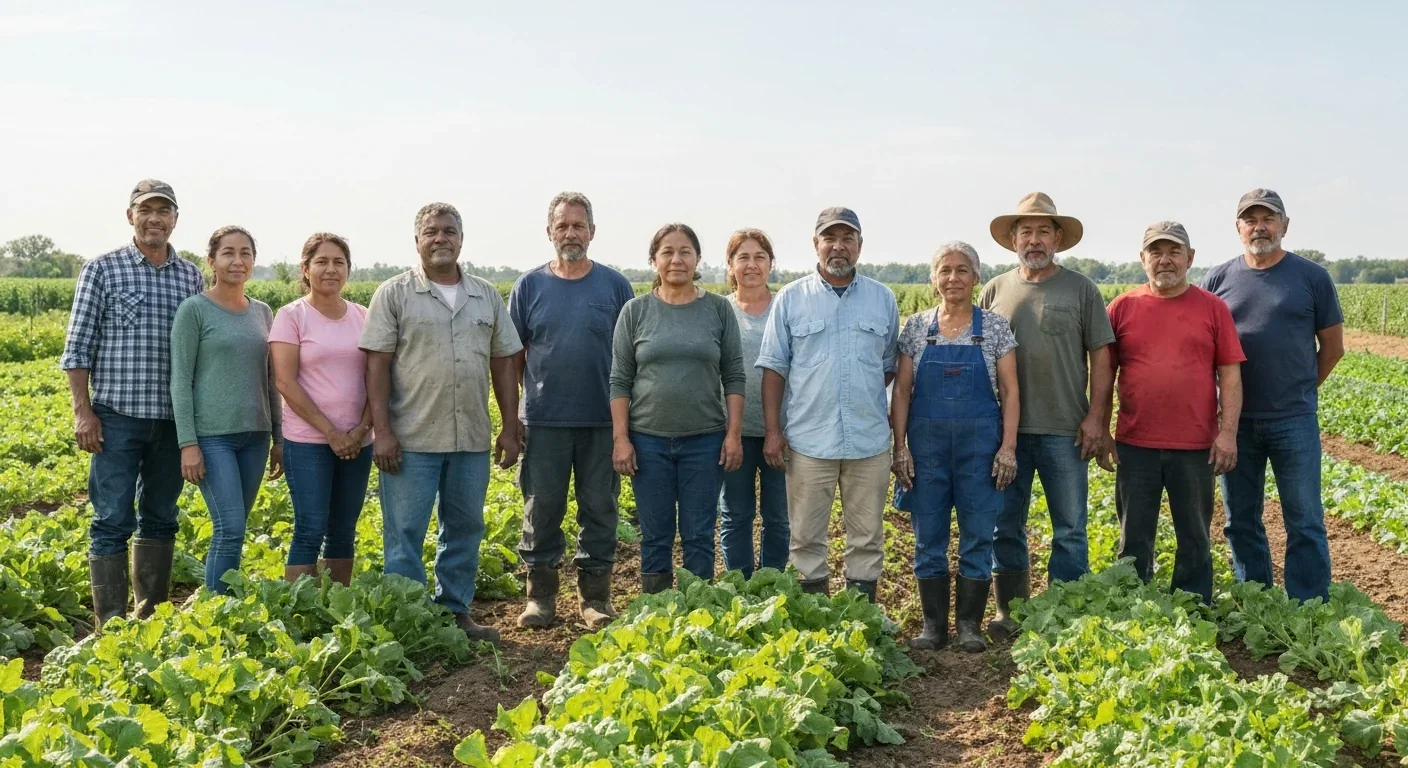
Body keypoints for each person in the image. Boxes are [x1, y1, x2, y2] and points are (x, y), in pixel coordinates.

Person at [359, 202, 523, 643]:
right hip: (411, 437)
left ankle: (455, 611)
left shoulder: (485, 295)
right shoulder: (394, 294)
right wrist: (383, 431)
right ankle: (411, 619)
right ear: (417, 241)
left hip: (469, 435)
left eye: (449, 231)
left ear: (461, 239)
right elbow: (376, 365)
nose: (440, 239)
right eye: (431, 232)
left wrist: (510, 426)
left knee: (465, 526)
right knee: (405, 531)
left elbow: (505, 361)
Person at [61, 180, 206, 626]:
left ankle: (150, 617)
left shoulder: (191, 276)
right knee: (110, 519)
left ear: (175, 220)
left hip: (170, 423)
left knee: (161, 517)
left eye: (164, 211)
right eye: (146, 210)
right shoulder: (102, 269)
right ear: (130, 216)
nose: (155, 218)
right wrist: (83, 411)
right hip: (116, 419)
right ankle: (111, 623)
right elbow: (77, 346)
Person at [978, 192, 1114, 639]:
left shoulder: (1081, 289)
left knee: (1070, 528)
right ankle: (1009, 613)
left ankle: (1067, 613)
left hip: (1064, 429)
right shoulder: (995, 289)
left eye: (1042, 231)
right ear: (1013, 239)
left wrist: (1097, 418)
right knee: (1005, 525)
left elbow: (1102, 356)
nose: (1034, 240)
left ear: (1057, 237)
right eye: (1025, 232)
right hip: (1005, 435)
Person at [1201, 189, 1343, 601]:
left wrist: (1299, 388)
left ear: (1284, 225)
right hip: (1236, 424)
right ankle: (1255, 597)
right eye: (1251, 219)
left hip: (1293, 420)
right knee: (1240, 518)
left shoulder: (1311, 277)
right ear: (1238, 227)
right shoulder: (1218, 279)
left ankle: (1309, 602)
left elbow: (1332, 348)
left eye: (1268, 218)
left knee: (1304, 518)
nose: (1259, 226)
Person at [756, 207, 900, 602]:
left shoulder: (882, 299)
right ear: (816, 244)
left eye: (847, 238)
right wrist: (773, 432)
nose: (838, 246)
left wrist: (856, 396)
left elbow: (887, 367)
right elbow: (774, 369)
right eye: (830, 238)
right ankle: (815, 615)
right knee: (805, 538)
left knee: (867, 537)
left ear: (860, 246)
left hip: (868, 442)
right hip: (809, 442)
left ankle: (860, 615)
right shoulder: (791, 299)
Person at [509, 192, 634, 629]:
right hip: (545, 420)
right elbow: (514, 355)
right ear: (549, 233)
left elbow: (630, 357)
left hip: (603, 420)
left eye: (578, 225)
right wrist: (515, 417)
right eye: (562, 226)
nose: (570, 233)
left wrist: (626, 426)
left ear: (592, 232)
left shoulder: (615, 286)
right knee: (541, 508)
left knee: (600, 507)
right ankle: (540, 598)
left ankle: (594, 599)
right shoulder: (530, 286)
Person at [1105, 222, 1245, 605]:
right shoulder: (1122, 307)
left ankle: (1193, 605)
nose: (1165, 260)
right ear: (1143, 259)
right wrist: (1099, 427)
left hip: (1195, 444)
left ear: (1190, 258)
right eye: (1156, 251)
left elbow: (1229, 373)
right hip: (1136, 443)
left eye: (1174, 251)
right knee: (1133, 535)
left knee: (1195, 534)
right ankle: (1132, 604)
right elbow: (1103, 373)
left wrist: (1227, 432)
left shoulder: (1213, 308)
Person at [892, 241, 1018, 652]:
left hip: (980, 449)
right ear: (933, 279)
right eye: (945, 270)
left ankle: (968, 625)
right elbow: (903, 392)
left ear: (976, 277)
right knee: (928, 535)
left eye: (962, 270)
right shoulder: (916, 328)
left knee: (978, 533)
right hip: (925, 450)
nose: (953, 278)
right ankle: (933, 626)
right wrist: (900, 447)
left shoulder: (995, 328)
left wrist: (1008, 447)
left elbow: (1011, 392)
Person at [609, 223, 745, 593]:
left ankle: (696, 612)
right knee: (655, 535)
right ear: (654, 260)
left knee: (699, 533)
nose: (676, 259)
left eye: (685, 251)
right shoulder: (635, 312)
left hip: (704, 442)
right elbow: (620, 380)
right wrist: (621, 439)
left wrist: (733, 435)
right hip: (649, 442)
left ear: (698, 259)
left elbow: (734, 375)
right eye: (667, 252)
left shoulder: (717, 310)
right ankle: (657, 612)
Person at [170, 226, 283, 595]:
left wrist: (279, 438)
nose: (238, 261)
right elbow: (180, 379)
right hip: (213, 437)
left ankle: (227, 606)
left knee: (237, 527)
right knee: (229, 527)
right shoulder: (195, 310)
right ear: (212, 261)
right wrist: (188, 443)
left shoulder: (264, 313)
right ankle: (218, 610)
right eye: (229, 253)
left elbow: (272, 381)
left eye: (246, 253)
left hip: (256, 436)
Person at [269, 233, 373, 586]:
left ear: (348, 270)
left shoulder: (364, 316)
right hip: (308, 441)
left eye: (339, 262)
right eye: (322, 262)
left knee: (343, 528)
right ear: (306, 269)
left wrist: (360, 430)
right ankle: (300, 610)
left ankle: (336, 606)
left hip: (359, 440)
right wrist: (331, 432)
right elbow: (285, 382)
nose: (331, 269)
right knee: (310, 527)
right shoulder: (292, 316)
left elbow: (379, 378)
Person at [719, 229, 789, 579]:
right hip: (734, 431)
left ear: (771, 264)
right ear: (730, 266)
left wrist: (782, 430)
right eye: (742, 257)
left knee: (779, 515)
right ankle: (739, 585)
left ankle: (773, 584)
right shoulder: (719, 310)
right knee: (736, 514)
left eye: (759, 257)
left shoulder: (785, 307)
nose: (751, 265)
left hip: (781, 432)